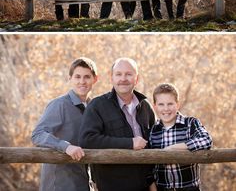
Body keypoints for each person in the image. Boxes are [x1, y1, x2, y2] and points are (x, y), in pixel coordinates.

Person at [79, 57, 156, 191]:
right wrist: (129, 143)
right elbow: (87, 140)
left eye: (128, 74)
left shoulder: (145, 106)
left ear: (136, 79)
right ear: (112, 78)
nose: (123, 79)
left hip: (144, 185)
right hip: (111, 185)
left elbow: (154, 142)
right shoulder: (97, 106)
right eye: (118, 74)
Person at [32, 57, 98, 191]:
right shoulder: (59, 105)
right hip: (59, 185)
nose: (82, 81)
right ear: (70, 79)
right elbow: (38, 135)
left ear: (95, 79)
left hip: (83, 183)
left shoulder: (93, 107)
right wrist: (65, 146)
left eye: (87, 77)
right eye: (77, 77)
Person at [149, 83, 212, 191]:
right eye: (161, 104)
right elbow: (150, 166)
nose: (166, 109)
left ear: (177, 104)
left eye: (170, 104)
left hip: (189, 188)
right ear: (155, 106)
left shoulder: (190, 123)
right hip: (163, 188)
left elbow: (206, 140)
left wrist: (176, 148)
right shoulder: (153, 131)